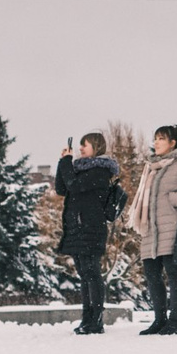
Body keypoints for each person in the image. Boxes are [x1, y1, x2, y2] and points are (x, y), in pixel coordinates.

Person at [127, 124, 177, 336]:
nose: (156, 142)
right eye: (155, 138)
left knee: (173, 273)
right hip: (150, 230)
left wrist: (175, 199)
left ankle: (174, 321)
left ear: (173, 143)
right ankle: (159, 320)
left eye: (161, 139)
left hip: (174, 228)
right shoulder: (151, 168)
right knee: (152, 275)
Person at [55, 133, 122, 336]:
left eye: (85, 145)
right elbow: (61, 188)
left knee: (92, 273)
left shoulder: (100, 171)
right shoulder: (79, 169)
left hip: (91, 228)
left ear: (96, 146)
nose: (81, 148)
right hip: (77, 228)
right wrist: (62, 162)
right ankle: (87, 317)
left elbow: (74, 185)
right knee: (84, 274)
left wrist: (67, 162)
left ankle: (96, 320)